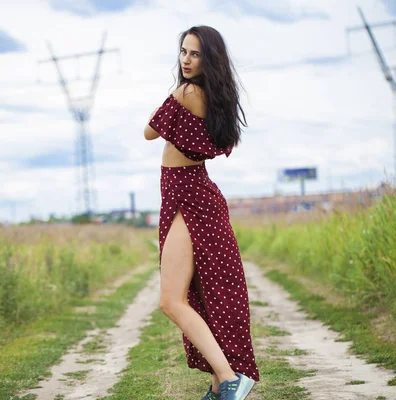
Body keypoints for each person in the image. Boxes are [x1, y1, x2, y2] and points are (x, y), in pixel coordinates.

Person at [143, 25, 259, 400]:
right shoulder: (213, 97)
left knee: (171, 300)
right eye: (183, 52)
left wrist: (173, 93)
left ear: (209, 59)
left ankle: (229, 379)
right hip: (195, 195)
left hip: (187, 198)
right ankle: (217, 385)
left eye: (195, 54)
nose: (186, 60)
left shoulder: (187, 91)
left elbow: (148, 132)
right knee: (205, 297)